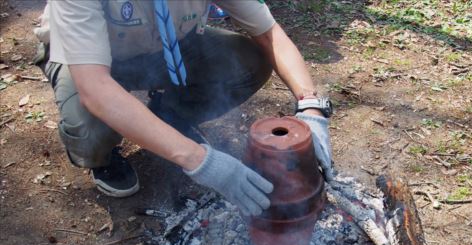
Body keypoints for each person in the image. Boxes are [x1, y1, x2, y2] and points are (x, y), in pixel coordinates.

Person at [33, 1, 334, 217]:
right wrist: (199, 159)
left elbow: (270, 34)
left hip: (168, 48)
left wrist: (311, 108)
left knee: (247, 61)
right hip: (87, 58)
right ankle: (103, 157)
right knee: (90, 129)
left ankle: (172, 117)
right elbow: (95, 88)